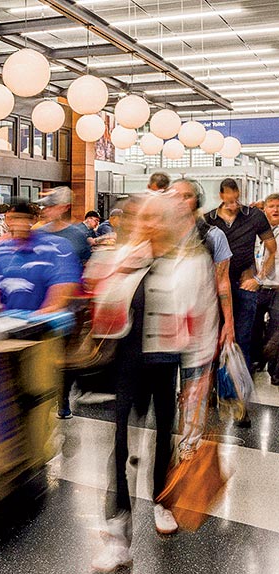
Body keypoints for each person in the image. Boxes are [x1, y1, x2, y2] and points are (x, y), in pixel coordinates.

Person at [89, 193, 218, 571]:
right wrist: (122, 268)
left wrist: (197, 377)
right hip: (127, 362)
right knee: (121, 446)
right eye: (143, 218)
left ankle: (162, 500)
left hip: (166, 363)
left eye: (155, 218)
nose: (148, 225)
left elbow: (204, 318)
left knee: (165, 437)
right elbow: (103, 307)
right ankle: (117, 532)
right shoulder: (122, 255)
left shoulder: (191, 263)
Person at [169, 178, 234, 457]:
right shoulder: (161, 235)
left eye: (185, 196)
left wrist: (228, 323)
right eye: (174, 196)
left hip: (200, 325)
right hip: (166, 323)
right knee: (165, 387)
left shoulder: (213, 236)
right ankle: (166, 440)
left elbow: (222, 282)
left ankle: (190, 442)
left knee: (195, 387)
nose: (178, 201)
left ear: (197, 200)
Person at [204, 177, 276, 376]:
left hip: (245, 284)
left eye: (236, 194)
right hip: (215, 287)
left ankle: (237, 391)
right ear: (221, 195)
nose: (233, 200)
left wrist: (259, 278)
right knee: (214, 338)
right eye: (228, 195)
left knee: (242, 338)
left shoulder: (254, 216)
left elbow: (272, 249)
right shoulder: (209, 219)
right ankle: (215, 388)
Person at [0, 198, 81, 313]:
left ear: (33, 220)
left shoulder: (55, 247)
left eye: (23, 219)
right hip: (8, 320)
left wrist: (34, 321)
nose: (19, 224)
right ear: (7, 220)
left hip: (45, 323)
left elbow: (63, 290)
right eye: (14, 218)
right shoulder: (0, 250)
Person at [254, 193, 279, 384]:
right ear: (264, 209)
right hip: (259, 287)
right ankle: (257, 360)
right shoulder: (256, 231)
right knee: (253, 326)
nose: (275, 210)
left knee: (275, 330)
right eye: (271, 206)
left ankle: (275, 371)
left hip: (277, 288)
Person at [37, 186, 92, 265]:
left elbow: (86, 262)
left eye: (51, 206)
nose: (47, 210)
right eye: (45, 206)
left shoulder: (77, 235)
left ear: (65, 207)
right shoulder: (38, 233)